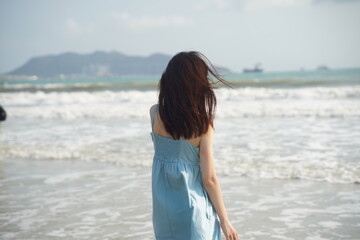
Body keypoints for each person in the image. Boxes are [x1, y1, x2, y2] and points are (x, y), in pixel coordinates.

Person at [149, 51, 239, 240]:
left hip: (164, 214)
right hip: (195, 211)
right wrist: (225, 220)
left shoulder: (155, 114)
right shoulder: (203, 126)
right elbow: (209, 179)